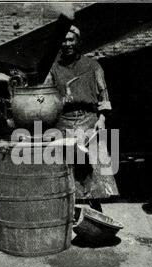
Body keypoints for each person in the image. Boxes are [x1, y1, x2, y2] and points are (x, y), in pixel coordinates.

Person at [45, 25, 119, 212]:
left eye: (71, 39)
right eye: (64, 40)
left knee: (93, 168)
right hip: (63, 121)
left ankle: (95, 211)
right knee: (67, 168)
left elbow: (104, 95)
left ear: (78, 41)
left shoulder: (93, 66)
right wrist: (59, 100)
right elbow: (41, 97)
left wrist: (102, 119)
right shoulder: (53, 69)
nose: (67, 43)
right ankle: (67, 214)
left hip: (89, 120)